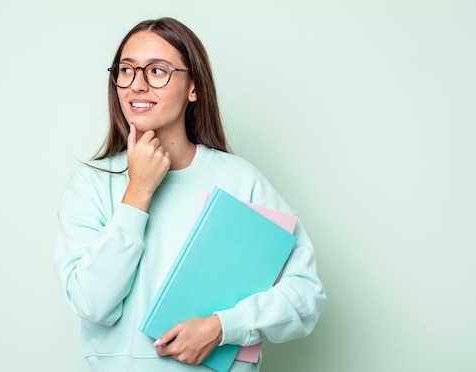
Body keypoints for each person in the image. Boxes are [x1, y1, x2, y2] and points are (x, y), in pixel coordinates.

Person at [54, 17, 326, 372]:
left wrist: (223, 327)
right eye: (126, 70)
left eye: (157, 71)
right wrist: (138, 192)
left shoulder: (239, 179)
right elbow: (92, 303)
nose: (137, 84)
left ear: (193, 88)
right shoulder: (91, 181)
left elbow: (306, 295)